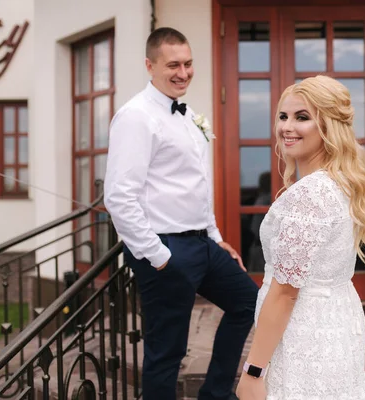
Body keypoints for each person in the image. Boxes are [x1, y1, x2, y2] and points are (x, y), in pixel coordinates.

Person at [104, 27, 258, 400]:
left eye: (188, 64)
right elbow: (119, 197)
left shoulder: (188, 117)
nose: (183, 72)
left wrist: (216, 237)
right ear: (149, 65)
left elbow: (197, 187)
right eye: (173, 64)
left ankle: (215, 394)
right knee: (166, 352)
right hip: (165, 249)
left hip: (201, 243)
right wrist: (158, 257)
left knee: (248, 303)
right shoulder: (136, 117)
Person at [235, 75, 365, 399]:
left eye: (302, 117)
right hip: (335, 326)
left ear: (329, 126)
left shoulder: (310, 195)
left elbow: (285, 293)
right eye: (283, 116)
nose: (287, 126)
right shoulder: (340, 183)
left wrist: (254, 371)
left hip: (304, 334)